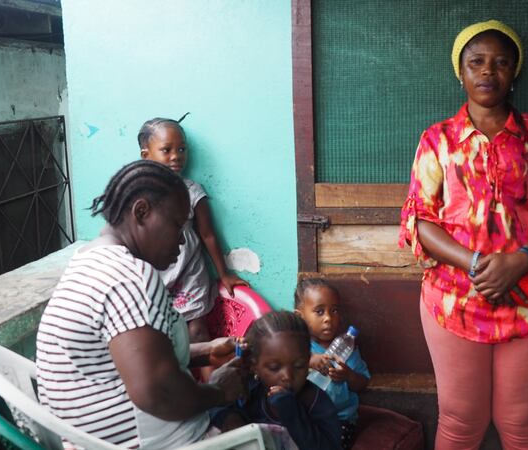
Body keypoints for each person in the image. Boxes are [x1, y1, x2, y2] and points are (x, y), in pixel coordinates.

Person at [398, 20, 528, 450]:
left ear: (514, 72)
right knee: (462, 422)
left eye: (501, 62)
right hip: (456, 298)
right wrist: (478, 265)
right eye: (476, 62)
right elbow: (419, 220)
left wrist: (520, 261)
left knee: (521, 424)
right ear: (460, 72)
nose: (488, 72)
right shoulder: (437, 139)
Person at [35, 160, 245, 449]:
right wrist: (218, 390)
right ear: (142, 212)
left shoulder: (89, 259)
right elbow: (158, 394)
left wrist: (206, 352)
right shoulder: (130, 277)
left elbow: (121, 358)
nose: (183, 240)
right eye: (177, 225)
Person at [138, 116, 247, 345]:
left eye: (181, 149)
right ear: (146, 155)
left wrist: (224, 273)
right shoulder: (138, 195)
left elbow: (208, 235)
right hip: (157, 275)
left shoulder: (193, 191)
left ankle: (210, 381)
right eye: (166, 150)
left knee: (198, 332)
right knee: (161, 336)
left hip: (190, 273)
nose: (176, 156)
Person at [212, 311, 342, 450]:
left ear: (308, 361)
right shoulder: (247, 390)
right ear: (254, 366)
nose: (287, 376)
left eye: (299, 366)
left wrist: (290, 411)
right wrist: (232, 420)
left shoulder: (317, 403)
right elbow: (213, 408)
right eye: (274, 368)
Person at [294, 278, 370, 449]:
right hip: (305, 417)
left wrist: (348, 375)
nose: (328, 318)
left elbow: (362, 383)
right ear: (301, 316)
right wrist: (308, 360)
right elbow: (284, 369)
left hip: (339, 419)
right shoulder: (298, 346)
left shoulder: (348, 349)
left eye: (334, 310)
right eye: (319, 311)